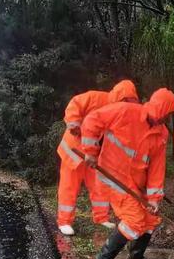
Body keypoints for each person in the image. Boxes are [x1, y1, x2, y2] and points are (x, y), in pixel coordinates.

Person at [81, 88, 174, 259]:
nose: (167, 117)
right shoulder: (126, 111)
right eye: (167, 113)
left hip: (135, 184)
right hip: (112, 175)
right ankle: (102, 258)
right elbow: (92, 120)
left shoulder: (161, 134)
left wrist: (154, 198)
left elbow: (157, 168)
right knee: (134, 220)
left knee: (151, 218)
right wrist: (91, 150)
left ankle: (136, 256)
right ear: (162, 109)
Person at [57, 80, 139, 236]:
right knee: (69, 187)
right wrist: (74, 124)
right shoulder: (97, 98)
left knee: (98, 186)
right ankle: (64, 221)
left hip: (95, 156)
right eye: (126, 102)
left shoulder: (122, 115)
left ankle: (101, 218)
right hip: (73, 151)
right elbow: (75, 103)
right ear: (120, 97)